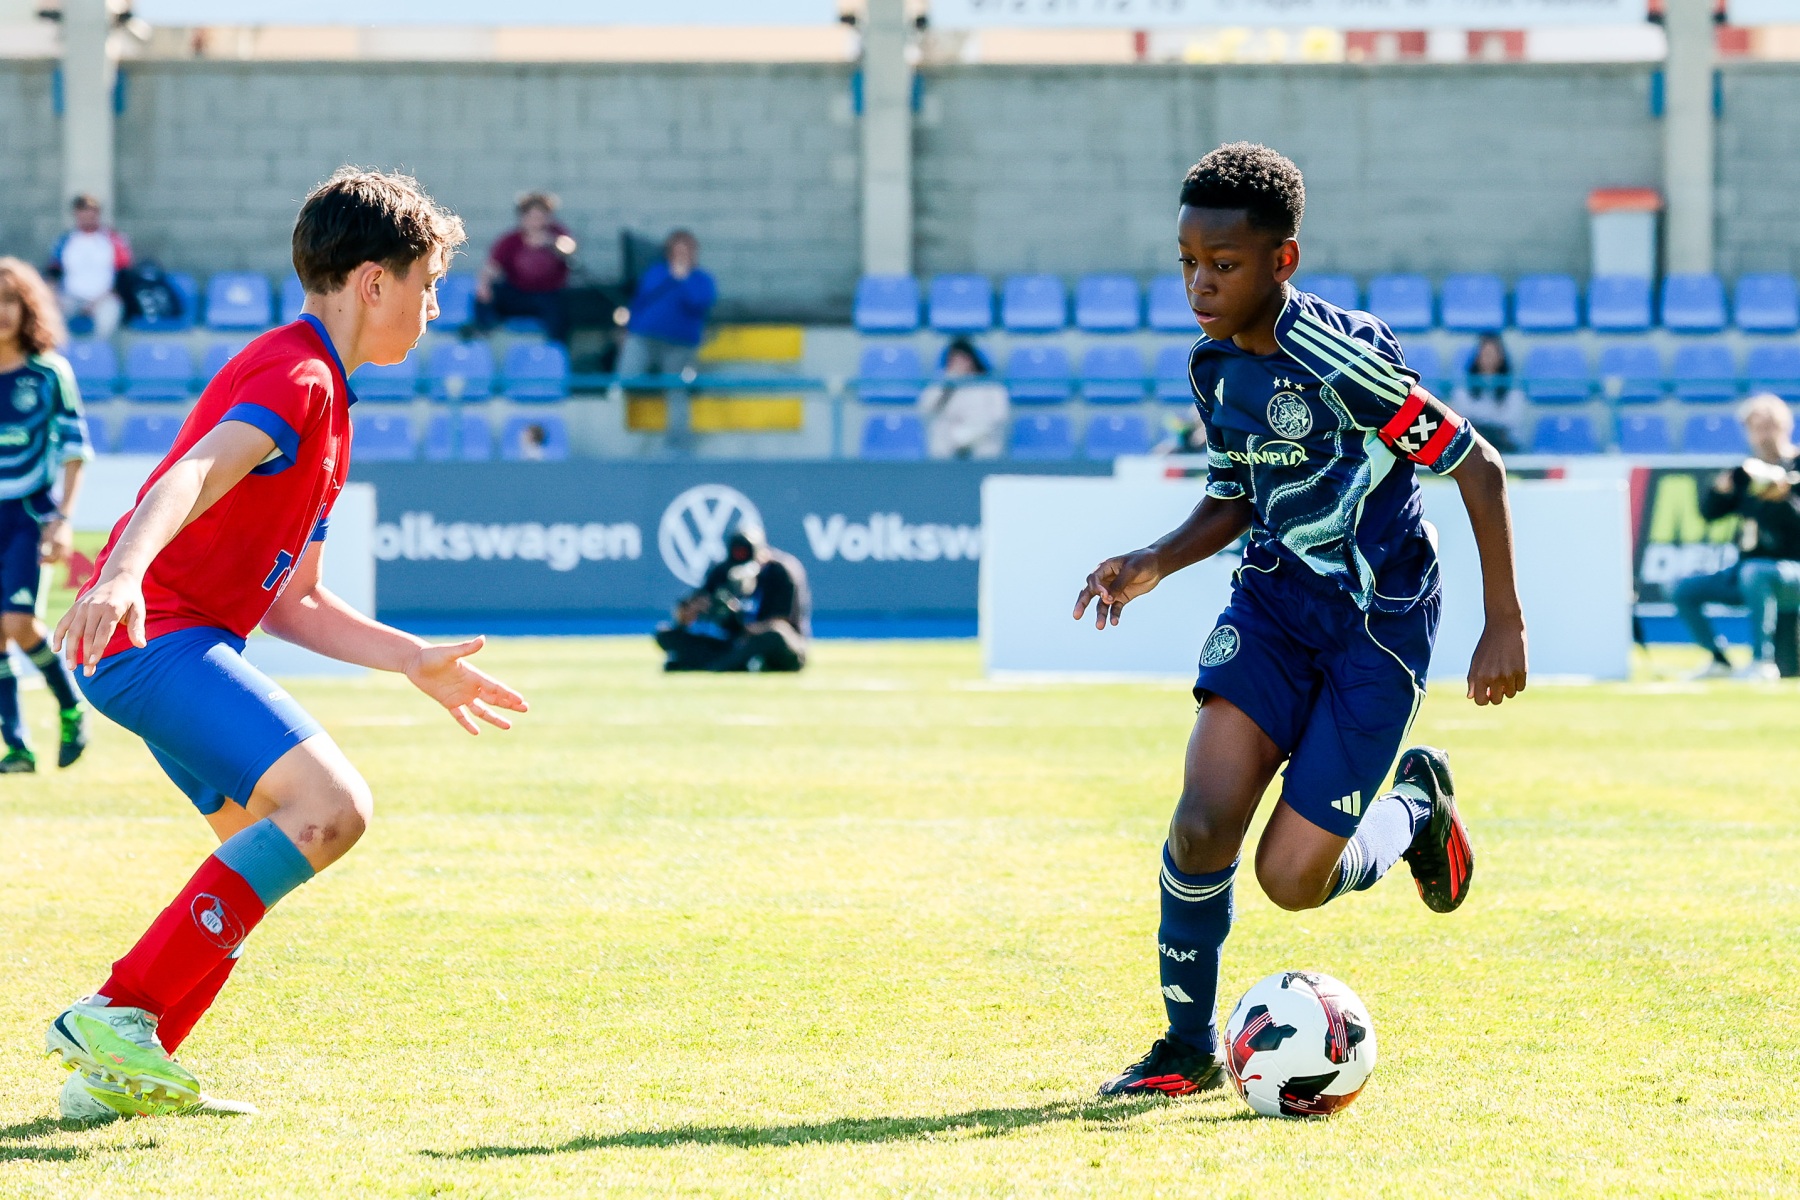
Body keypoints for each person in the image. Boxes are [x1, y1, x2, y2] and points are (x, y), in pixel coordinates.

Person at [43, 167, 529, 1122]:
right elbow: (190, 474)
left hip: (164, 642)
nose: (434, 308)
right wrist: (122, 572)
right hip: (150, 637)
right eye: (427, 283)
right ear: (373, 283)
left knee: (260, 850)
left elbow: (294, 602)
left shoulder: (329, 402)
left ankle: (118, 1072)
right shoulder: (298, 374)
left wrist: (409, 658)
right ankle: (117, 1012)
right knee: (333, 808)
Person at [1072, 143, 1527, 1099]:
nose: (1200, 284)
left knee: (1290, 880)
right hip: (1275, 603)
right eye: (1187, 262)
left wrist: (1504, 622)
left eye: (1223, 264)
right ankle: (1185, 1049)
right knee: (1202, 825)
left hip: (1378, 623)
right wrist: (1155, 559)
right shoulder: (1211, 367)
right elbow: (1236, 493)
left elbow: (1477, 467)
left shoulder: (1346, 360)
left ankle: (1414, 810)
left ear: (1282, 261)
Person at [0, 258, 94, 773]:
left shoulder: (49, 372)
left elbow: (76, 450)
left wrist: (63, 518)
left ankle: (71, 705)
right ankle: (16, 746)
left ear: (28, 307)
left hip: (29, 515)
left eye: (10, 300)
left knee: (18, 622)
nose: (2, 311)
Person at [1673, 392, 1800, 681]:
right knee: (1683, 588)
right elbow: (1709, 513)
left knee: (1755, 573)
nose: (1763, 436)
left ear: (1785, 426)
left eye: (1769, 427)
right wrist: (1720, 490)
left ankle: (1761, 662)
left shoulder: (1797, 466)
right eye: (1756, 428)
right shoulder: (1746, 472)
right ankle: (1719, 660)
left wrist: (1785, 498)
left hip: (1791, 571)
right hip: (1746, 571)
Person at [655, 529, 810, 673]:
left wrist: (740, 620)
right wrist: (699, 609)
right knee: (666, 634)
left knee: (775, 635)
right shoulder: (723, 570)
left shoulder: (782, 572)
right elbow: (685, 615)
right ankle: (734, 662)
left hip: (772, 641)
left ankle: (716, 666)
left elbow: (782, 621)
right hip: (733, 642)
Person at [617, 231, 716, 453]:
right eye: (676, 251)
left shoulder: (702, 279)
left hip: (679, 345)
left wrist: (684, 279)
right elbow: (640, 301)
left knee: (677, 392)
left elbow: (699, 303)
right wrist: (626, 330)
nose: (681, 256)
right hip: (643, 338)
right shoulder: (656, 273)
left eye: (686, 251)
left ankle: (676, 447)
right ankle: (619, 442)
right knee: (624, 379)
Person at [474, 191, 576, 343]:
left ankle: (556, 347)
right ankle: (484, 337)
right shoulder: (511, 240)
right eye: (531, 217)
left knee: (562, 310)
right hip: (518, 292)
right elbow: (491, 267)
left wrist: (551, 242)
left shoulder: (556, 234)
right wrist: (484, 285)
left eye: (540, 217)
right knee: (487, 296)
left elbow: (570, 248)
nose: (536, 222)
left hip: (549, 294)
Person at [45, 195, 131, 339]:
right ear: (76, 214)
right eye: (82, 211)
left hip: (103, 298)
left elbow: (123, 276)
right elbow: (53, 272)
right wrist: (53, 296)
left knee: (108, 318)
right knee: (49, 315)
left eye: (91, 211)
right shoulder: (64, 241)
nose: (87, 216)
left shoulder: (114, 240)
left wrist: (95, 303)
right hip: (70, 297)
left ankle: (101, 351)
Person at [918, 338, 1008, 459]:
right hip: (949, 437)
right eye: (954, 360)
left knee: (987, 447)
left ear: (972, 359)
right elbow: (927, 408)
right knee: (938, 434)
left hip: (981, 436)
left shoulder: (990, 385)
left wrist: (972, 431)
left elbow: (999, 415)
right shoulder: (942, 383)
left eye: (963, 359)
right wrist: (948, 384)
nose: (959, 363)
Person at [1450, 332, 1524, 453]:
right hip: (1472, 446)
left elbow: (1511, 421)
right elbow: (1460, 419)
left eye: (1493, 353)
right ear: (1477, 356)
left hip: (1503, 446)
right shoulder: (1463, 390)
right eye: (1485, 353)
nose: (1489, 358)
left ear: (1501, 357)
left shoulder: (1513, 391)